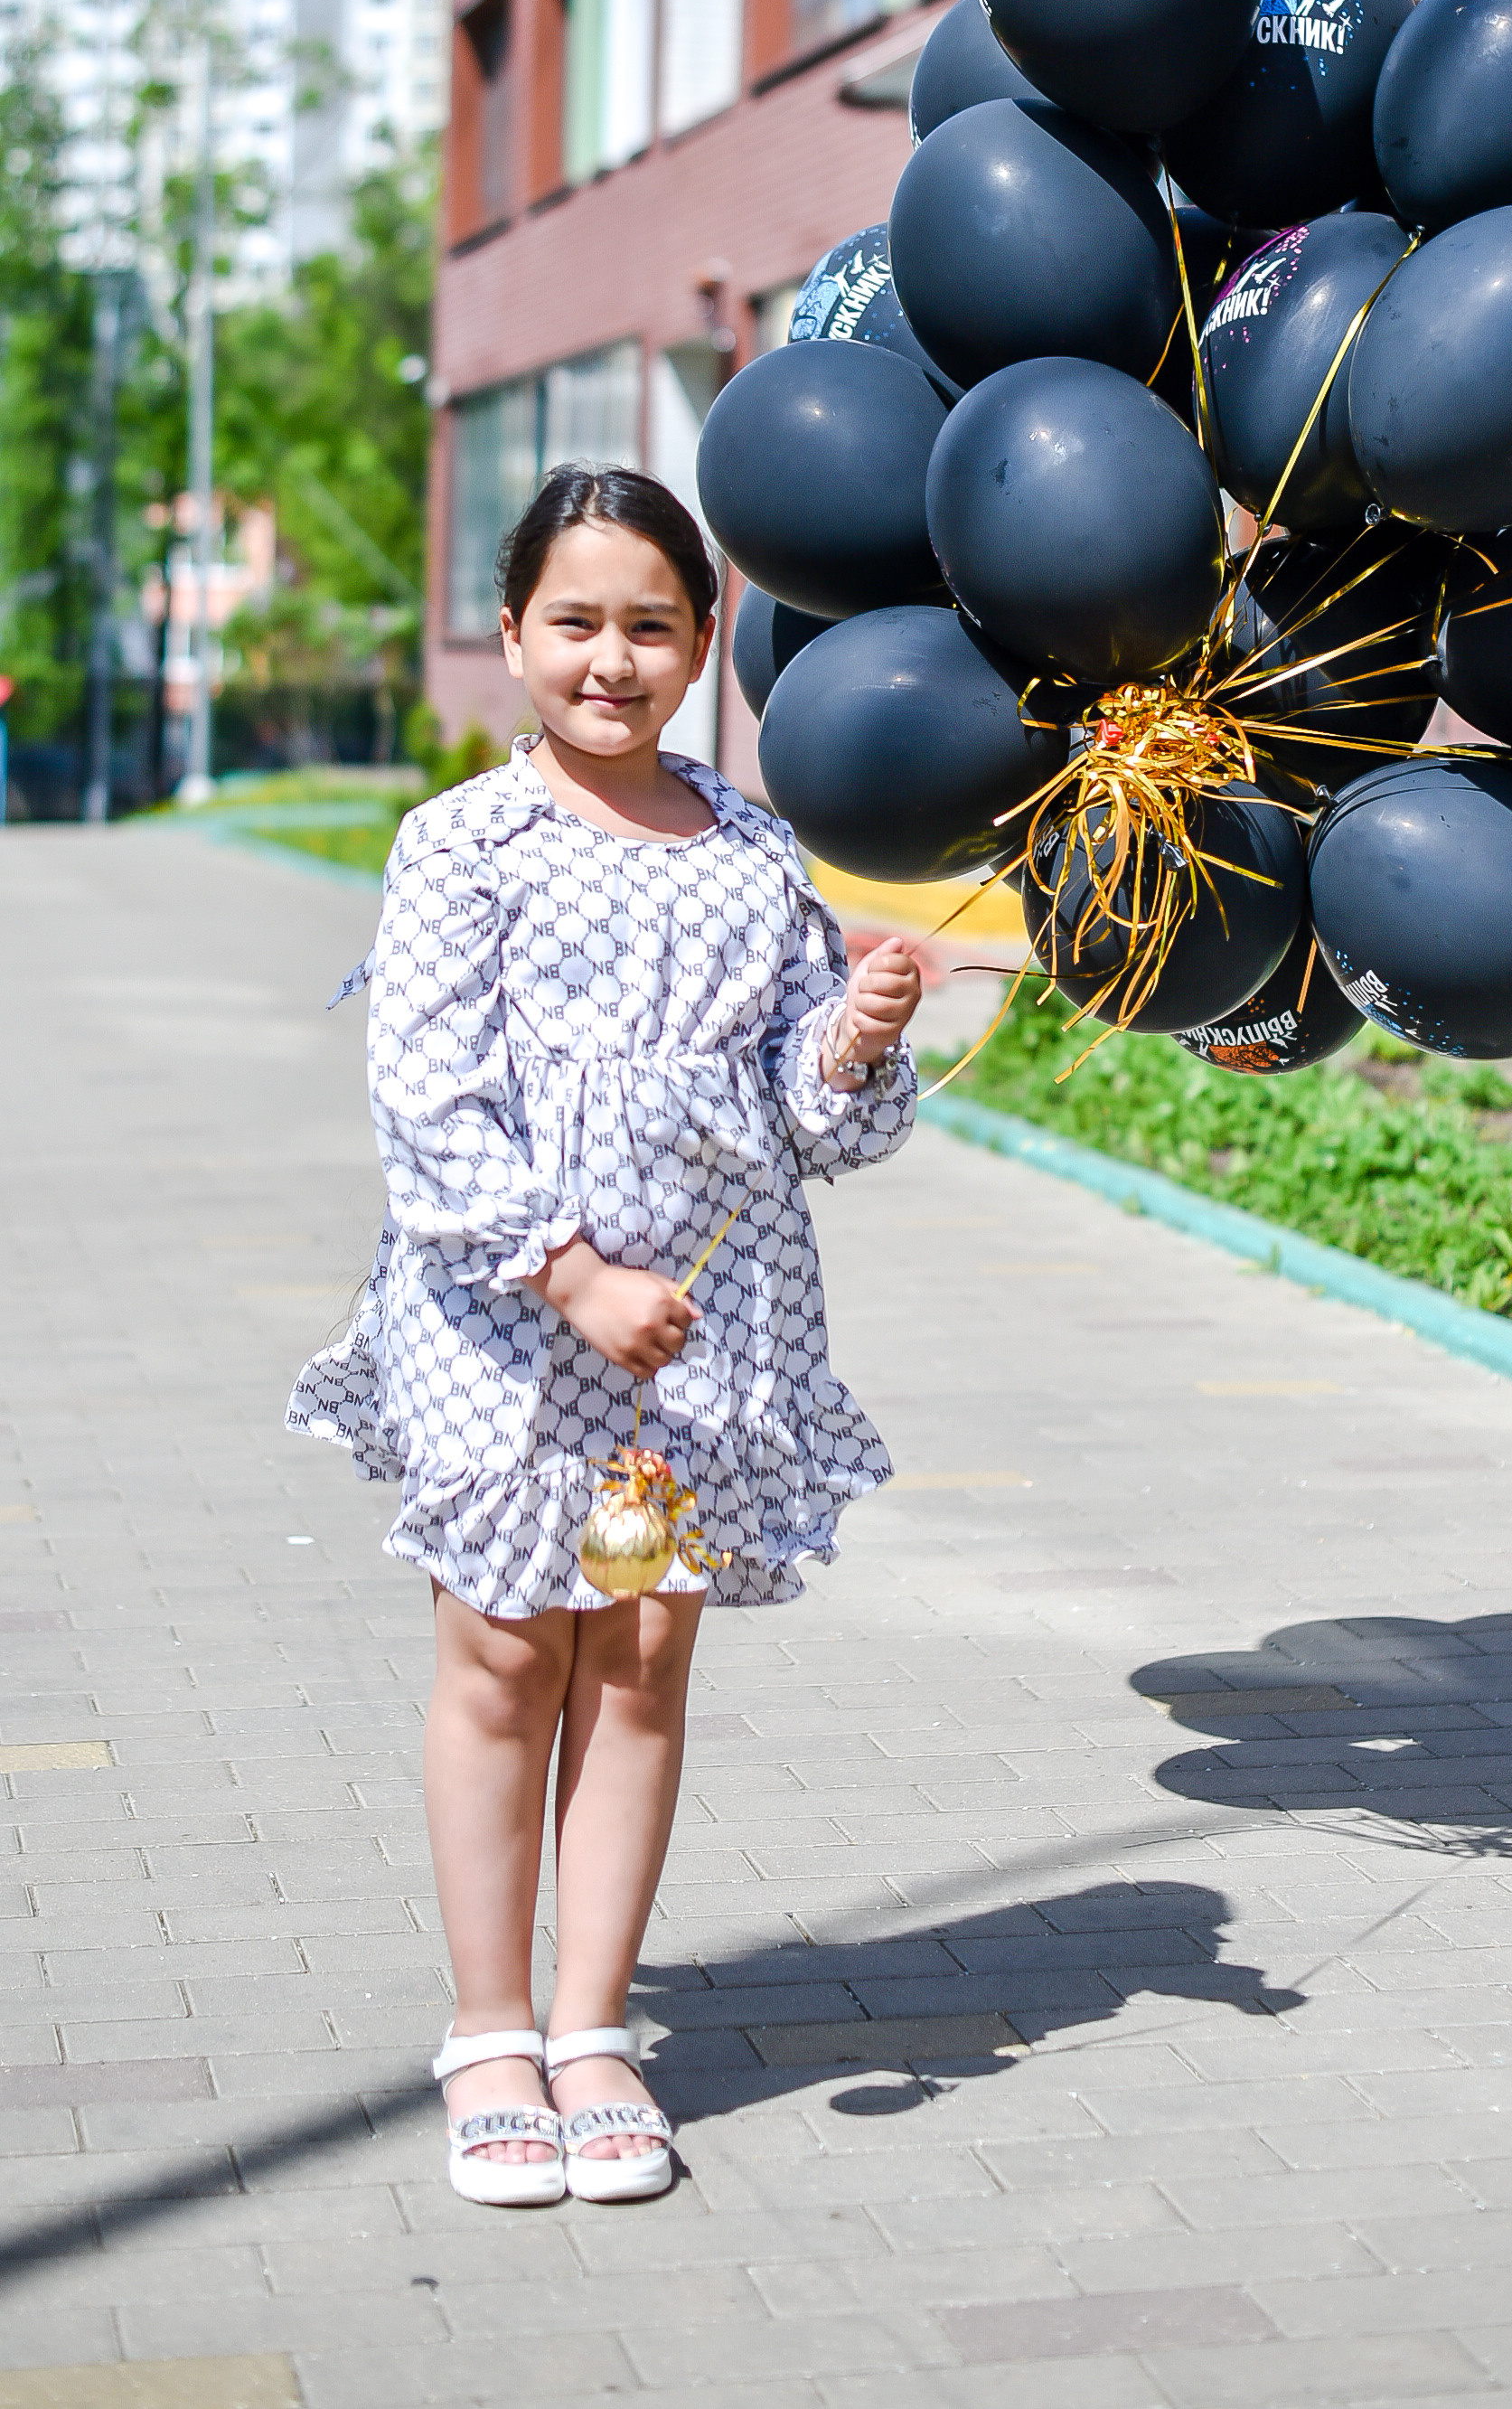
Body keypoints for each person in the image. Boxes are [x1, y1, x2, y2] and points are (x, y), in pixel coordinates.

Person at [287, 466, 921, 2208]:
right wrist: (569, 1276)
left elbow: (815, 1119)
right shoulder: (463, 845)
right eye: (575, 622)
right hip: (506, 1320)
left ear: (707, 642)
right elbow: (427, 1099)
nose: (611, 660)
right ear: (513, 636)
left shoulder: (756, 853)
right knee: (507, 1653)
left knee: (638, 1657)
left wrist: (858, 1034)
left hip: (707, 1332)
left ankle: (591, 2031)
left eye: (651, 624)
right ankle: (489, 2030)